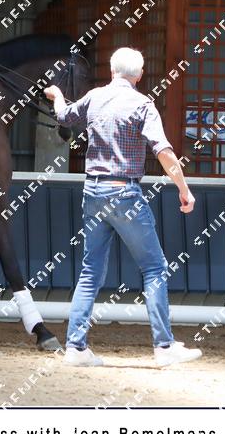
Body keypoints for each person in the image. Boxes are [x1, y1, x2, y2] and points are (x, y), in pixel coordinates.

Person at [44, 47, 203, 368]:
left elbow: (63, 116)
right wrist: (184, 189)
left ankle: (75, 347)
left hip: (93, 191)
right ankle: (164, 346)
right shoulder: (143, 105)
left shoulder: (94, 97)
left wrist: (57, 95)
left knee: (90, 271)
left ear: (112, 70)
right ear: (140, 75)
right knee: (154, 268)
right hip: (125, 192)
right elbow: (163, 152)